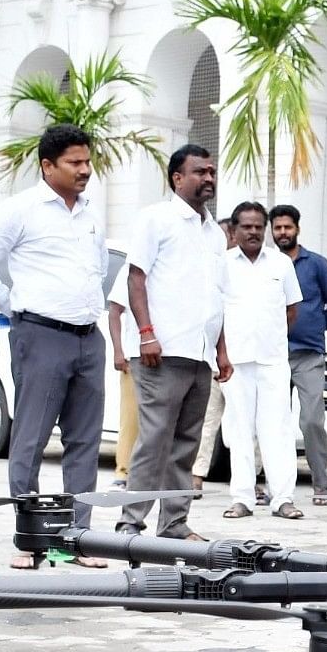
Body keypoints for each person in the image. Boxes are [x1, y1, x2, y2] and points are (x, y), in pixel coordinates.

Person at [0, 124, 109, 570]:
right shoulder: (20, 210)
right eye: (75, 163)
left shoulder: (88, 213)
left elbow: (98, 268)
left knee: (84, 442)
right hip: (40, 337)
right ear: (48, 166)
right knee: (31, 440)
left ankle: (77, 539)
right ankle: (28, 540)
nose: (85, 171)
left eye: (87, 162)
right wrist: (14, 306)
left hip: (88, 338)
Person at [116, 145, 231, 540]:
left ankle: (174, 524)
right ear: (177, 178)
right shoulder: (156, 219)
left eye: (212, 171)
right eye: (200, 171)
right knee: (155, 440)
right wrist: (146, 332)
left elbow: (217, 296)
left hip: (199, 355)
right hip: (160, 353)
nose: (209, 178)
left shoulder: (216, 234)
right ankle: (129, 522)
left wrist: (221, 350)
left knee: (186, 443)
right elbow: (136, 278)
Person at [219, 201, 305, 520]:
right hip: (234, 361)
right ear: (234, 230)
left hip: (272, 360)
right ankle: (242, 498)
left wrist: (272, 339)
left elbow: (291, 310)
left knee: (278, 430)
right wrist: (221, 354)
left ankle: (283, 499)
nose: (254, 232)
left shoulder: (281, 264)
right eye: (247, 226)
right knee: (239, 430)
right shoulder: (222, 263)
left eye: (259, 226)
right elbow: (215, 313)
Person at [274, 204, 327, 507]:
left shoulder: (316, 263)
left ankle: (320, 483)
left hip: (308, 353)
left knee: (312, 420)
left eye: (287, 227)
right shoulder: (268, 264)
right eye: (277, 228)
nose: (282, 233)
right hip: (273, 353)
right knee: (270, 421)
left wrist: (318, 325)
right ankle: (266, 485)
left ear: (297, 229)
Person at [192, 211, 240, 493]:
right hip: (215, 356)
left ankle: (250, 479)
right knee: (208, 420)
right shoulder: (212, 267)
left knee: (246, 424)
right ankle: (196, 475)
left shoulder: (256, 266)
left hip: (244, 356)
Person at [107, 273, 138, 493]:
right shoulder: (131, 267)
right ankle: (123, 472)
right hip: (134, 356)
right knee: (131, 418)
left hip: (169, 357)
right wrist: (119, 351)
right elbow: (114, 311)